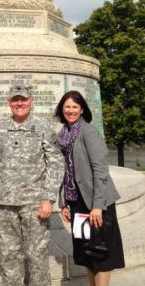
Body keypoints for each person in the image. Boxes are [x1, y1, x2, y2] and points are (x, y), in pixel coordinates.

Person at [0, 85, 64, 286]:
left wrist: (48, 198)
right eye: (15, 100)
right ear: (9, 103)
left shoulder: (43, 128)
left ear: (31, 102)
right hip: (4, 203)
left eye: (23, 100)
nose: (19, 103)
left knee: (37, 255)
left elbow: (56, 163)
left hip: (34, 204)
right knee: (9, 254)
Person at [55, 90, 125, 286]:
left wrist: (97, 206)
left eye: (75, 107)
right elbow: (64, 171)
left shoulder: (88, 132)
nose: (70, 110)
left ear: (82, 109)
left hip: (96, 203)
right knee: (87, 252)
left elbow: (100, 170)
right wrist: (63, 203)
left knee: (100, 253)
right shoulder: (63, 135)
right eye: (67, 106)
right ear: (62, 108)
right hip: (77, 203)